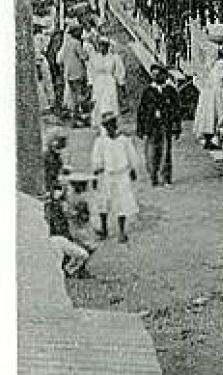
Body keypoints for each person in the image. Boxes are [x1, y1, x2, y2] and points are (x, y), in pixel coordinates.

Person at [90, 112, 140, 243]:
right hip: (106, 174)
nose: (110, 128)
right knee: (103, 201)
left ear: (116, 125)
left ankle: (122, 231)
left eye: (112, 124)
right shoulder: (100, 141)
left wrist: (132, 169)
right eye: (107, 125)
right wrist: (96, 174)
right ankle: (104, 228)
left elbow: (131, 156)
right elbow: (96, 159)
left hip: (121, 174)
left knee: (122, 203)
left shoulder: (124, 140)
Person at [135, 65, 179, 187]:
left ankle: (166, 177)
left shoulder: (170, 90)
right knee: (152, 151)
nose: (156, 77)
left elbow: (176, 110)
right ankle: (153, 175)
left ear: (164, 75)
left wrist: (176, 126)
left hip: (166, 124)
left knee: (166, 152)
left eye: (158, 75)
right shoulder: (148, 91)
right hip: (152, 125)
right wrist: (140, 128)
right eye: (153, 75)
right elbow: (142, 111)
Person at [45, 186, 91, 279]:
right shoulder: (57, 206)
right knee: (83, 253)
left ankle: (70, 271)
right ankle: (69, 271)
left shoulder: (53, 206)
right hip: (58, 238)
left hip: (57, 238)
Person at [86, 37, 123, 122]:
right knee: (98, 101)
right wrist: (90, 82)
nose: (102, 48)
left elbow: (119, 71)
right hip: (98, 82)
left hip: (109, 82)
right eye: (100, 45)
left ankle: (111, 121)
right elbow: (90, 70)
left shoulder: (114, 57)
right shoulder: (94, 57)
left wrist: (120, 82)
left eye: (104, 45)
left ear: (107, 46)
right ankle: (99, 121)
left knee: (109, 101)